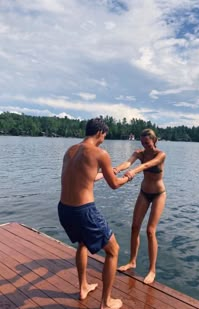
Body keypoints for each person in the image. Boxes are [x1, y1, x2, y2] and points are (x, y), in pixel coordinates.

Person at [58, 118, 133, 309]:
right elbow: (114, 184)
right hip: (83, 211)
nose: (104, 140)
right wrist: (127, 177)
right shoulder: (100, 153)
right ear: (100, 132)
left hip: (64, 209)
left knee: (82, 244)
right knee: (113, 250)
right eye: (104, 136)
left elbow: (81, 177)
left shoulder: (71, 151)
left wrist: (108, 172)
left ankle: (83, 287)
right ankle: (106, 302)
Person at [114, 128, 166, 284]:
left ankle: (152, 270)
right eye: (143, 143)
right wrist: (116, 169)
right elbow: (128, 162)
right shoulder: (140, 153)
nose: (145, 146)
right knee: (135, 227)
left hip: (158, 194)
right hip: (144, 192)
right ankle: (132, 261)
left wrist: (132, 172)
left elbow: (146, 166)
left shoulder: (160, 155)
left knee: (150, 231)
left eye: (148, 143)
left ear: (154, 141)